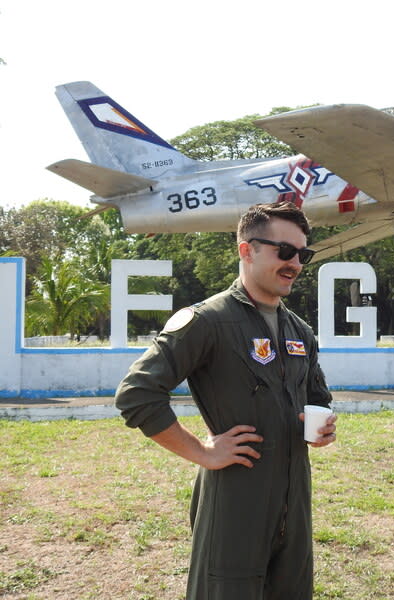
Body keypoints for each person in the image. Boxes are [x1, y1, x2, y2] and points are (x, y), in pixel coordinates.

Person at [115, 201, 337, 600]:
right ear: (246, 250)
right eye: (284, 252)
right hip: (235, 500)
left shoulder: (299, 330)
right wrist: (202, 450)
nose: (295, 264)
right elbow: (137, 393)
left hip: (295, 501)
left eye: (303, 254)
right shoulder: (208, 320)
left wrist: (320, 428)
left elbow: (317, 397)